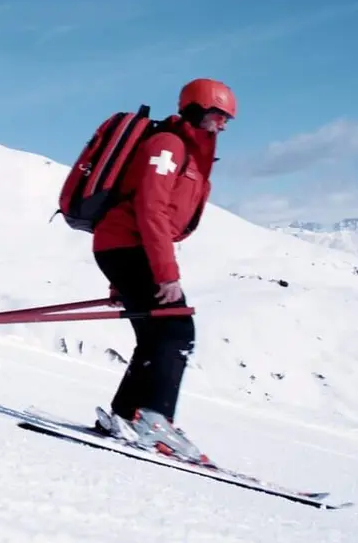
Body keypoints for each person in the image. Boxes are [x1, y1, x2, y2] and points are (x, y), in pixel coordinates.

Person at [90, 77, 237, 464]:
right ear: (200, 110)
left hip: (126, 248)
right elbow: (149, 209)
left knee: (157, 335)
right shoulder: (168, 146)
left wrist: (123, 278)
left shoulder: (187, 150)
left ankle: (125, 417)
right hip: (129, 246)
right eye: (220, 116)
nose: (223, 125)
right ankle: (155, 420)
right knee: (176, 329)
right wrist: (166, 274)